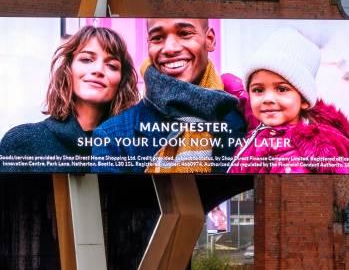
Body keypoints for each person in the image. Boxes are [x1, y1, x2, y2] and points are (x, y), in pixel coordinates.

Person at [90, 18, 248, 174]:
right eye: (157, 38)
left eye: (185, 33)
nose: (170, 48)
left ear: (209, 40)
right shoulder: (113, 137)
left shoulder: (244, 123)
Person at [0, 26, 139, 172]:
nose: (98, 70)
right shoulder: (22, 141)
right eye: (87, 59)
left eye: (112, 65)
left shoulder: (133, 149)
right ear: (68, 69)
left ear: (121, 81)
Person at [228, 27, 349, 174]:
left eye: (281, 89)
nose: (267, 99)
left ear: (304, 100)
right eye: (258, 90)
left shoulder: (292, 161)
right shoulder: (264, 124)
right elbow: (240, 93)